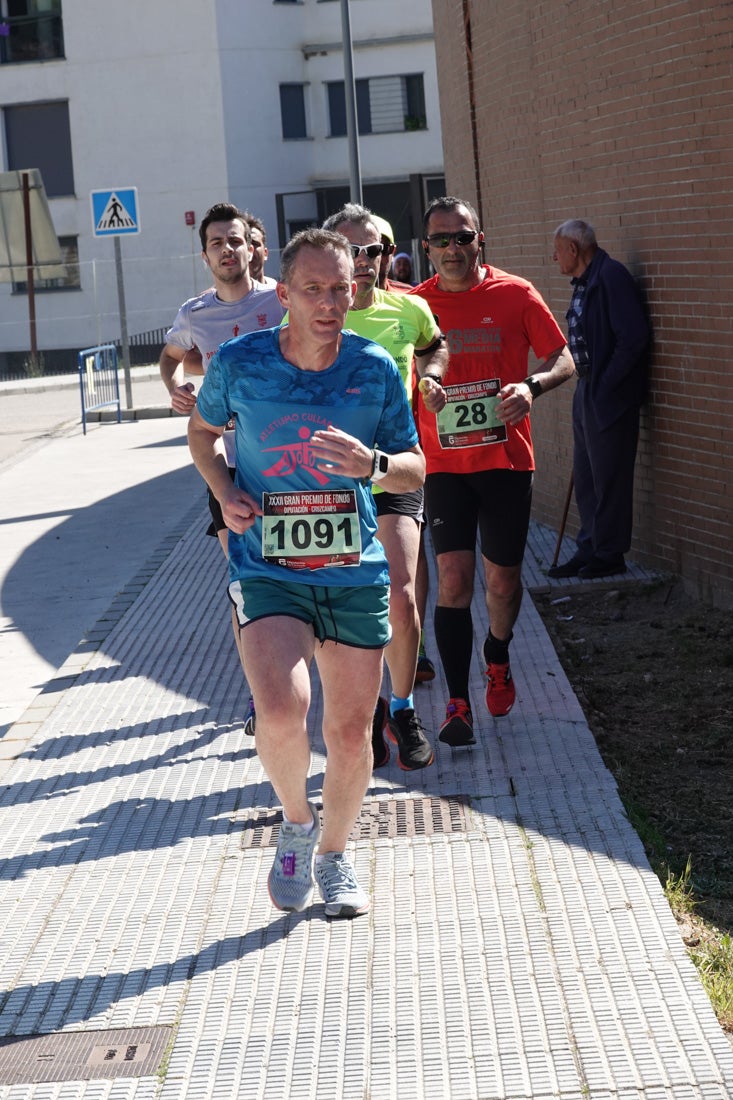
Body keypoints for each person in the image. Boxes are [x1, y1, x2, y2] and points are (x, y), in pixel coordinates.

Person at [188, 227, 424, 917]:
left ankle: (334, 855)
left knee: (350, 733)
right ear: (283, 293)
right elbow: (203, 434)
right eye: (313, 289)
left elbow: (413, 465)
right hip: (268, 568)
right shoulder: (240, 362)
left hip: (352, 572)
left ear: (355, 291)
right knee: (282, 710)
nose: (327, 302)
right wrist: (224, 488)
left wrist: (373, 467)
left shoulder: (373, 366)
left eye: (339, 288)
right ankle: (295, 820)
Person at [412, 196, 575, 745]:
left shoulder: (515, 293)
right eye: (440, 239)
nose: (452, 248)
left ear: (480, 240)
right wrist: (422, 389)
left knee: (501, 584)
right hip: (443, 468)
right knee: (454, 580)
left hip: (506, 462)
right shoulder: (415, 308)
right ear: (427, 247)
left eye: (462, 237)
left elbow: (564, 357)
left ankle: (497, 653)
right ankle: (458, 704)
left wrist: (530, 387)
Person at [322, 203, 448, 771]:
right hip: (331, 478)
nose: (364, 261)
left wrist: (431, 377)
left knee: (401, 595)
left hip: (394, 466)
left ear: (385, 253)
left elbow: (434, 344)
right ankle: (368, 709)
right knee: (345, 606)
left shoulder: (410, 308)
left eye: (372, 250)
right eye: (351, 250)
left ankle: (402, 707)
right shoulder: (317, 317)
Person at [160, 202, 285, 731]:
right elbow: (172, 356)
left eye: (235, 240)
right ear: (205, 253)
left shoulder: (279, 297)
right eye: (217, 243)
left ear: (251, 246)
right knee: (244, 579)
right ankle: (263, 694)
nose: (227, 250)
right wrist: (175, 387)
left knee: (290, 571)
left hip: (283, 459)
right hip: (227, 465)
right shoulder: (195, 313)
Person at [549, 220, 651, 579]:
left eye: (558, 250)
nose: (555, 257)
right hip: (587, 388)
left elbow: (633, 338)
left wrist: (606, 385)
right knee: (587, 475)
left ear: (574, 250)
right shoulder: (585, 281)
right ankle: (589, 547)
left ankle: (609, 553)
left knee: (609, 476)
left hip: (608, 393)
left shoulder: (611, 277)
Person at [245, 212, 278, 288]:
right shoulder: (221, 297)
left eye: (254, 243)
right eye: (245, 244)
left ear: (265, 253)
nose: (250, 249)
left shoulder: (277, 292)